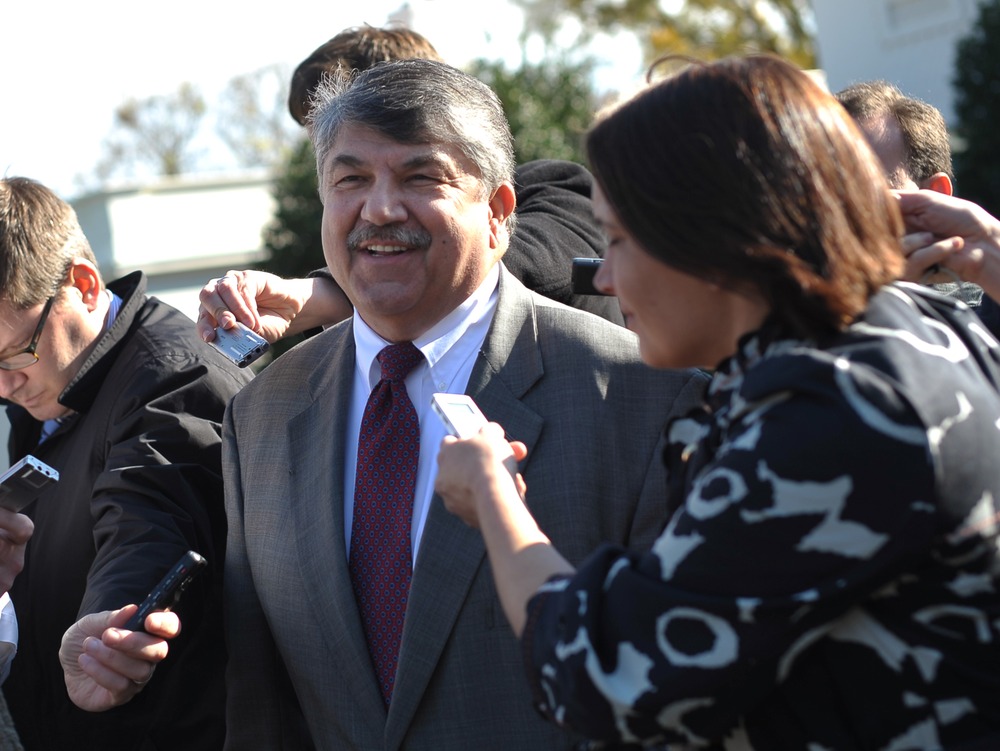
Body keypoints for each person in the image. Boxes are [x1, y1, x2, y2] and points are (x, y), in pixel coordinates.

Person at [434, 55, 1000, 750]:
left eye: (618, 238)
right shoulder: (899, 330)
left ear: (711, 236)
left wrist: (493, 498)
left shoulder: (832, 405)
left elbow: (606, 674)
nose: (604, 277)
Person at [221, 59, 707, 750]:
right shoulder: (263, 411)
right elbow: (264, 700)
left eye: (422, 177)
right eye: (351, 179)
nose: (381, 207)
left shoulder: (638, 391)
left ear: (500, 213)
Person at [0, 177, 252, 750]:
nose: (3, 385)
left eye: (14, 355)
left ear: (83, 286)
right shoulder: (48, 393)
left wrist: (112, 625)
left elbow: (147, 521)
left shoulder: (176, 378)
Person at [196, 25, 623, 346]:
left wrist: (319, 295)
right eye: (349, 169)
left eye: (416, 174)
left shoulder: (556, 193)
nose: (380, 208)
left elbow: (515, 256)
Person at [835, 80, 1000, 334]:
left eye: (863, 191)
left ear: (936, 194)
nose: (837, 213)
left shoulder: (982, 314)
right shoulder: (789, 326)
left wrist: (991, 246)